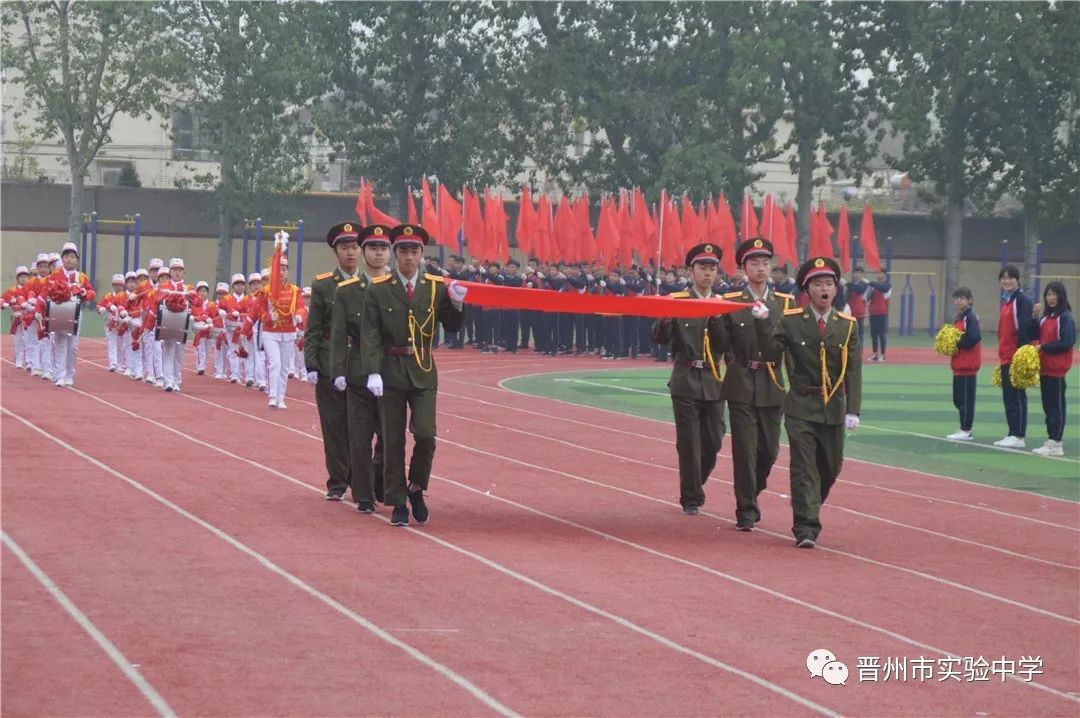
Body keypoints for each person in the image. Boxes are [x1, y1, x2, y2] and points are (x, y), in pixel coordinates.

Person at [360, 223, 467, 527]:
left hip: (422, 370)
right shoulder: (379, 289)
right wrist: (372, 372)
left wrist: (458, 302)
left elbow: (454, 326)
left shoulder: (435, 287)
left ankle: (416, 486)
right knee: (392, 440)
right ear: (395, 255)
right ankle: (397, 502)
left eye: (414, 251)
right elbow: (370, 334)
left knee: (425, 434)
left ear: (421, 254)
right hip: (390, 371)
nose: (409, 257)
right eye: (403, 251)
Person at [756, 257, 861, 548]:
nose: (824, 289)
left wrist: (853, 409)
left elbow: (853, 369)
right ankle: (806, 526)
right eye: (818, 284)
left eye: (829, 283)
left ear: (836, 289)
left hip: (834, 408)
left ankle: (809, 501)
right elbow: (771, 354)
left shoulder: (847, 326)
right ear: (807, 289)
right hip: (801, 405)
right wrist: (765, 324)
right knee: (804, 466)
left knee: (831, 467)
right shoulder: (790, 321)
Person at [720, 238, 792, 530]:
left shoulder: (785, 304)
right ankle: (746, 509)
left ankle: (752, 490)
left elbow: (787, 345)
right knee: (745, 450)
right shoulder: (731, 303)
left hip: (772, 382)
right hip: (742, 381)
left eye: (765, 263)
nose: (761, 268)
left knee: (769, 451)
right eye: (754, 263)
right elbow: (722, 343)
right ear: (743, 268)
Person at [651, 243, 728, 515]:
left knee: (714, 439)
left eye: (712, 268)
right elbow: (660, 340)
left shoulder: (724, 304)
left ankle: (696, 481)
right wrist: (664, 320)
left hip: (714, 377)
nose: (707, 273)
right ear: (690, 271)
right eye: (702, 268)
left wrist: (719, 319)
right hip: (685, 377)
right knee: (689, 443)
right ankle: (691, 496)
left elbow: (727, 344)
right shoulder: (678, 301)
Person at [330, 224, 392, 513]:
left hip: (392, 370)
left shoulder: (398, 288)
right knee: (359, 436)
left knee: (388, 437)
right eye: (373, 248)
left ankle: (378, 479)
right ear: (363, 253)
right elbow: (340, 333)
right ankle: (364, 495)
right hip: (357, 372)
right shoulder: (348, 291)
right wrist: (338, 370)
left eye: (383, 248)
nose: (378, 254)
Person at [305, 221, 361, 501]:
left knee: (362, 426)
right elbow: (314, 327)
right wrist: (311, 363)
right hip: (329, 362)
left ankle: (360, 478)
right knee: (334, 425)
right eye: (344, 247)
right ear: (335, 252)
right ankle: (338, 481)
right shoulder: (324, 285)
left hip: (362, 364)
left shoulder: (373, 283)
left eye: (354, 247)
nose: (350, 253)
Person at [245, 236, 304, 408]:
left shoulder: (294, 290)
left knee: (285, 366)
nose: (282, 272)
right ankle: (272, 396)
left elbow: (301, 307)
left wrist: (299, 317)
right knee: (275, 363)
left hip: (289, 331)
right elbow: (257, 310)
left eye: (285, 269)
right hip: (271, 332)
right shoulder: (266, 291)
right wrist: (266, 317)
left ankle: (281, 397)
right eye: (279, 268)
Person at [994, 265, 1036, 448]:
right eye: (1003, 278)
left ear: (1018, 280)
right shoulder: (1007, 301)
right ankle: (1013, 432)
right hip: (1006, 355)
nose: (1006, 280)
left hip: (1015, 356)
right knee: (1009, 396)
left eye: (1010, 277)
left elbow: (1025, 330)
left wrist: (1021, 356)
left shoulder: (1021, 300)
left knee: (1016, 396)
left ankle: (1018, 435)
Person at [43, 242, 96, 387]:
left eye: (72, 256)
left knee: (73, 346)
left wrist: (84, 292)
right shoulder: (55, 275)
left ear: (76, 259)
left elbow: (91, 293)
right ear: (62, 258)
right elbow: (46, 290)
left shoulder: (82, 277)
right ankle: (59, 375)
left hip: (75, 313)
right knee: (60, 343)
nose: (69, 259)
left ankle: (69, 374)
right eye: (66, 256)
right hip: (59, 312)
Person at [1032, 282, 1075, 457]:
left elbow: (1067, 342)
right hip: (1045, 368)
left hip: (1057, 369)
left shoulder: (1065, 317)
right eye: (1048, 295)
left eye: (1054, 294)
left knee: (1055, 407)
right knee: (1049, 406)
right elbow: (1033, 334)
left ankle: (1056, 442)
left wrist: (1044, 348)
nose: (1050, 298)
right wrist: (1034, 317)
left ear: (1061, 296)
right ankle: (1052, 440)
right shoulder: (1045, 318)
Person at [946, 288, 981, 441]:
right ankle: (963, 427)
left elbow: (974, 337)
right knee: (959, 399)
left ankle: (966, 430)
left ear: (969, 300)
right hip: (959, 365)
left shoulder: (970, 317)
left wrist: (955, 342)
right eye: (957, 298)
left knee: (966, 400)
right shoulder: (959, 317)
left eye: (962, 298)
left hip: (968, 365)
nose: (959, 301)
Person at [867, 269, 891, 361]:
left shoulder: (887, 285)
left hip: (882, 313)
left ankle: (883, 355)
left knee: (882, 335)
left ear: (884, 275)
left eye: (879, 273)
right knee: (874, 335)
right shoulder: (873, 286)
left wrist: (871, 283)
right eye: (877, 273)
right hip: (873, 313)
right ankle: (875, 354)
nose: (878, 275)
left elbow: (883, 289)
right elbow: (868, 297)